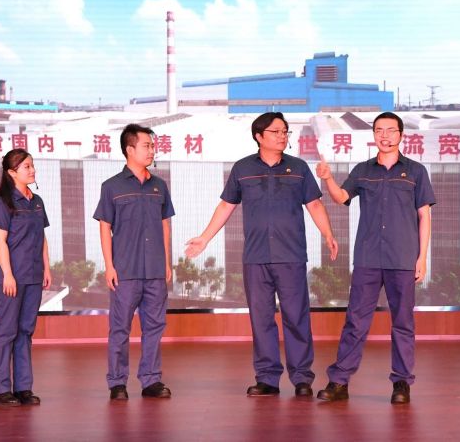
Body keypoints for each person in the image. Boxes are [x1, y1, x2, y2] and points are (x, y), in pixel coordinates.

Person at [185, 112, 338, 397]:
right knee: (261, 319)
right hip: (255, 257)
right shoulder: (243, 169)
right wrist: (204, 239)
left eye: (285, 131)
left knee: (296, 317)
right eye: (276, 131)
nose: (282, 136)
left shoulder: (298, 168)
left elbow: (315, 205)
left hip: (291, 255)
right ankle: (267, 378)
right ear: (259, 136)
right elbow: (226, 206)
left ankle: (302, 378)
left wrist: (328, 234)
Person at [315, 111, 435, 404]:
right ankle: (339, 381)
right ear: (373, 135)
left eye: (391, 130)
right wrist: (328, 179)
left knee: (403, 322)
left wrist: (422, 258)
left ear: (401, 135)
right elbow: (341, 197)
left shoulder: (416, 171)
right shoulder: (363, 170)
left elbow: (425, 216)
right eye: (379, 130)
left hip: (402, 257)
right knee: (356, 320)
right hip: (368, 257)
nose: (385, 136)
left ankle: (402, 382)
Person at [93, 123, 175, 400]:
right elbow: (105, 226)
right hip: (125, 270)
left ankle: (151, 380)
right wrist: (109, 265)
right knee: (120, 328)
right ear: (130, 149)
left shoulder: (159, 186)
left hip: (154, 270)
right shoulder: (112, 187)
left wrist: (166, 263)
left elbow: (165, 225)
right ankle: (117, 382)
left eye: (153, 146)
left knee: (154, 327)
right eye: (146, 146)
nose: (152, 150)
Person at [0, 149, 52, 407]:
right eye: (26, 166)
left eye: (32, 165)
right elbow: (0, 241)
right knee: (6, 331)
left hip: (33, 276)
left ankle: (23, 387)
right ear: (12, 172)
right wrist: (7, 274)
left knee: (25, 331)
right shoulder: (2, 203)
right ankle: (0, 390)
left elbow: (42, 238)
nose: (32, 170)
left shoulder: (37, 201)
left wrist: (46, 268)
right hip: (11, 278)